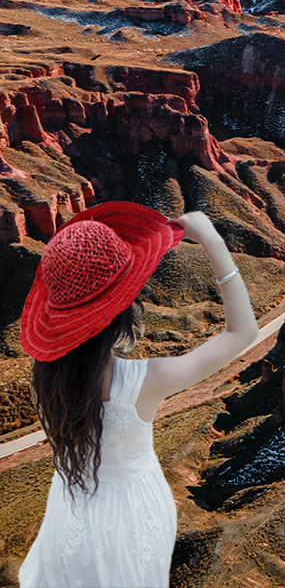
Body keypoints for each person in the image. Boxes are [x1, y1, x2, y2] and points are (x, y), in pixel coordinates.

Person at [17, 202, 260, 588]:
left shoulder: (43, 378)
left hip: (70, 509)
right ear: (121, 309)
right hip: (131, 516)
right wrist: (213, 240)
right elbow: (243, 333)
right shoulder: (145, 380)